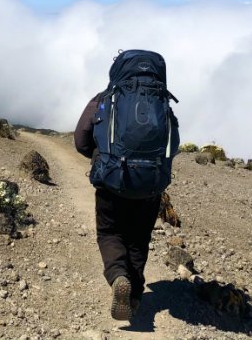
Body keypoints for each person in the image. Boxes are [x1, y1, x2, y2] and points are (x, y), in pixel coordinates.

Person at [74, 49, 178, 321]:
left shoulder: (105, 99)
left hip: (112, 180)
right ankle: (133, 297)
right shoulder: (161, 101)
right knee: (139, 239)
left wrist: (101, 158)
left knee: (110, 233)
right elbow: (173, 145)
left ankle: (119, 275)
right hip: (150, 184)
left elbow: (80, 140)